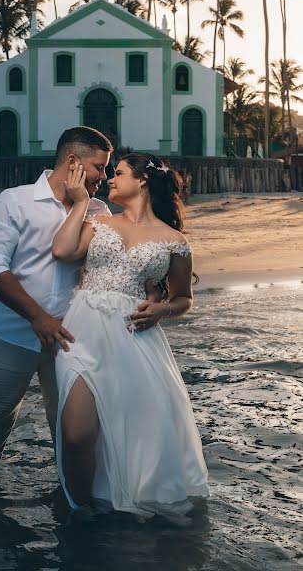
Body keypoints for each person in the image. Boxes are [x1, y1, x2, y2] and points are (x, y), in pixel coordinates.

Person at [0, 127, 159, 484]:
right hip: (11, 337)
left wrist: (154, 293)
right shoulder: (14, 201)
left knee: (71, 433)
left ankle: (71, 511)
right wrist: (37, 317)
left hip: (72, 340)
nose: (104, 176)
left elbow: (109, 270)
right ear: (73, 162)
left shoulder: (97, 211)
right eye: (100, 167)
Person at [52, 152, 209, 517]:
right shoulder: (99, 221)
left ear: (142, 180)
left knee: (135, 428)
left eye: (118, 173)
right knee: (76, 435)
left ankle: (107, 509)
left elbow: (184, 298)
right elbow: (61, 251)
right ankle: (81, 510)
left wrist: (162, 309)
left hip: (133, 339)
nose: (110, 178)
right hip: (82, 333)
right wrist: (79, 203)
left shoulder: (174, 241)